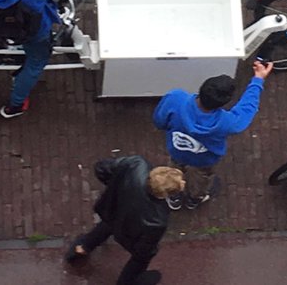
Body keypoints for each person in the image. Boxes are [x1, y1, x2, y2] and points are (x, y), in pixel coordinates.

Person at [152, 59, 273, 210]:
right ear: (224, 102)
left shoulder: (175, 98)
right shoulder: (227, 122)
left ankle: (174, 196)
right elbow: (247, 108)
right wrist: (258, 79)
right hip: (204, 159)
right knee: (201, 179)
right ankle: (194, 199)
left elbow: (159, 121)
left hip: (176, 151)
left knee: (173, 173)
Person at [65, 156, 184, 285]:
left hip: (113, 210)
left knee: (108, 224)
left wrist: (114, 186)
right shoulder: (158, 219)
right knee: (141, 259)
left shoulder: (137, 164)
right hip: (127, 232)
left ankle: (82, 247)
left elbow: (102, 168)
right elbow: (144, 249)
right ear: (166, 194)